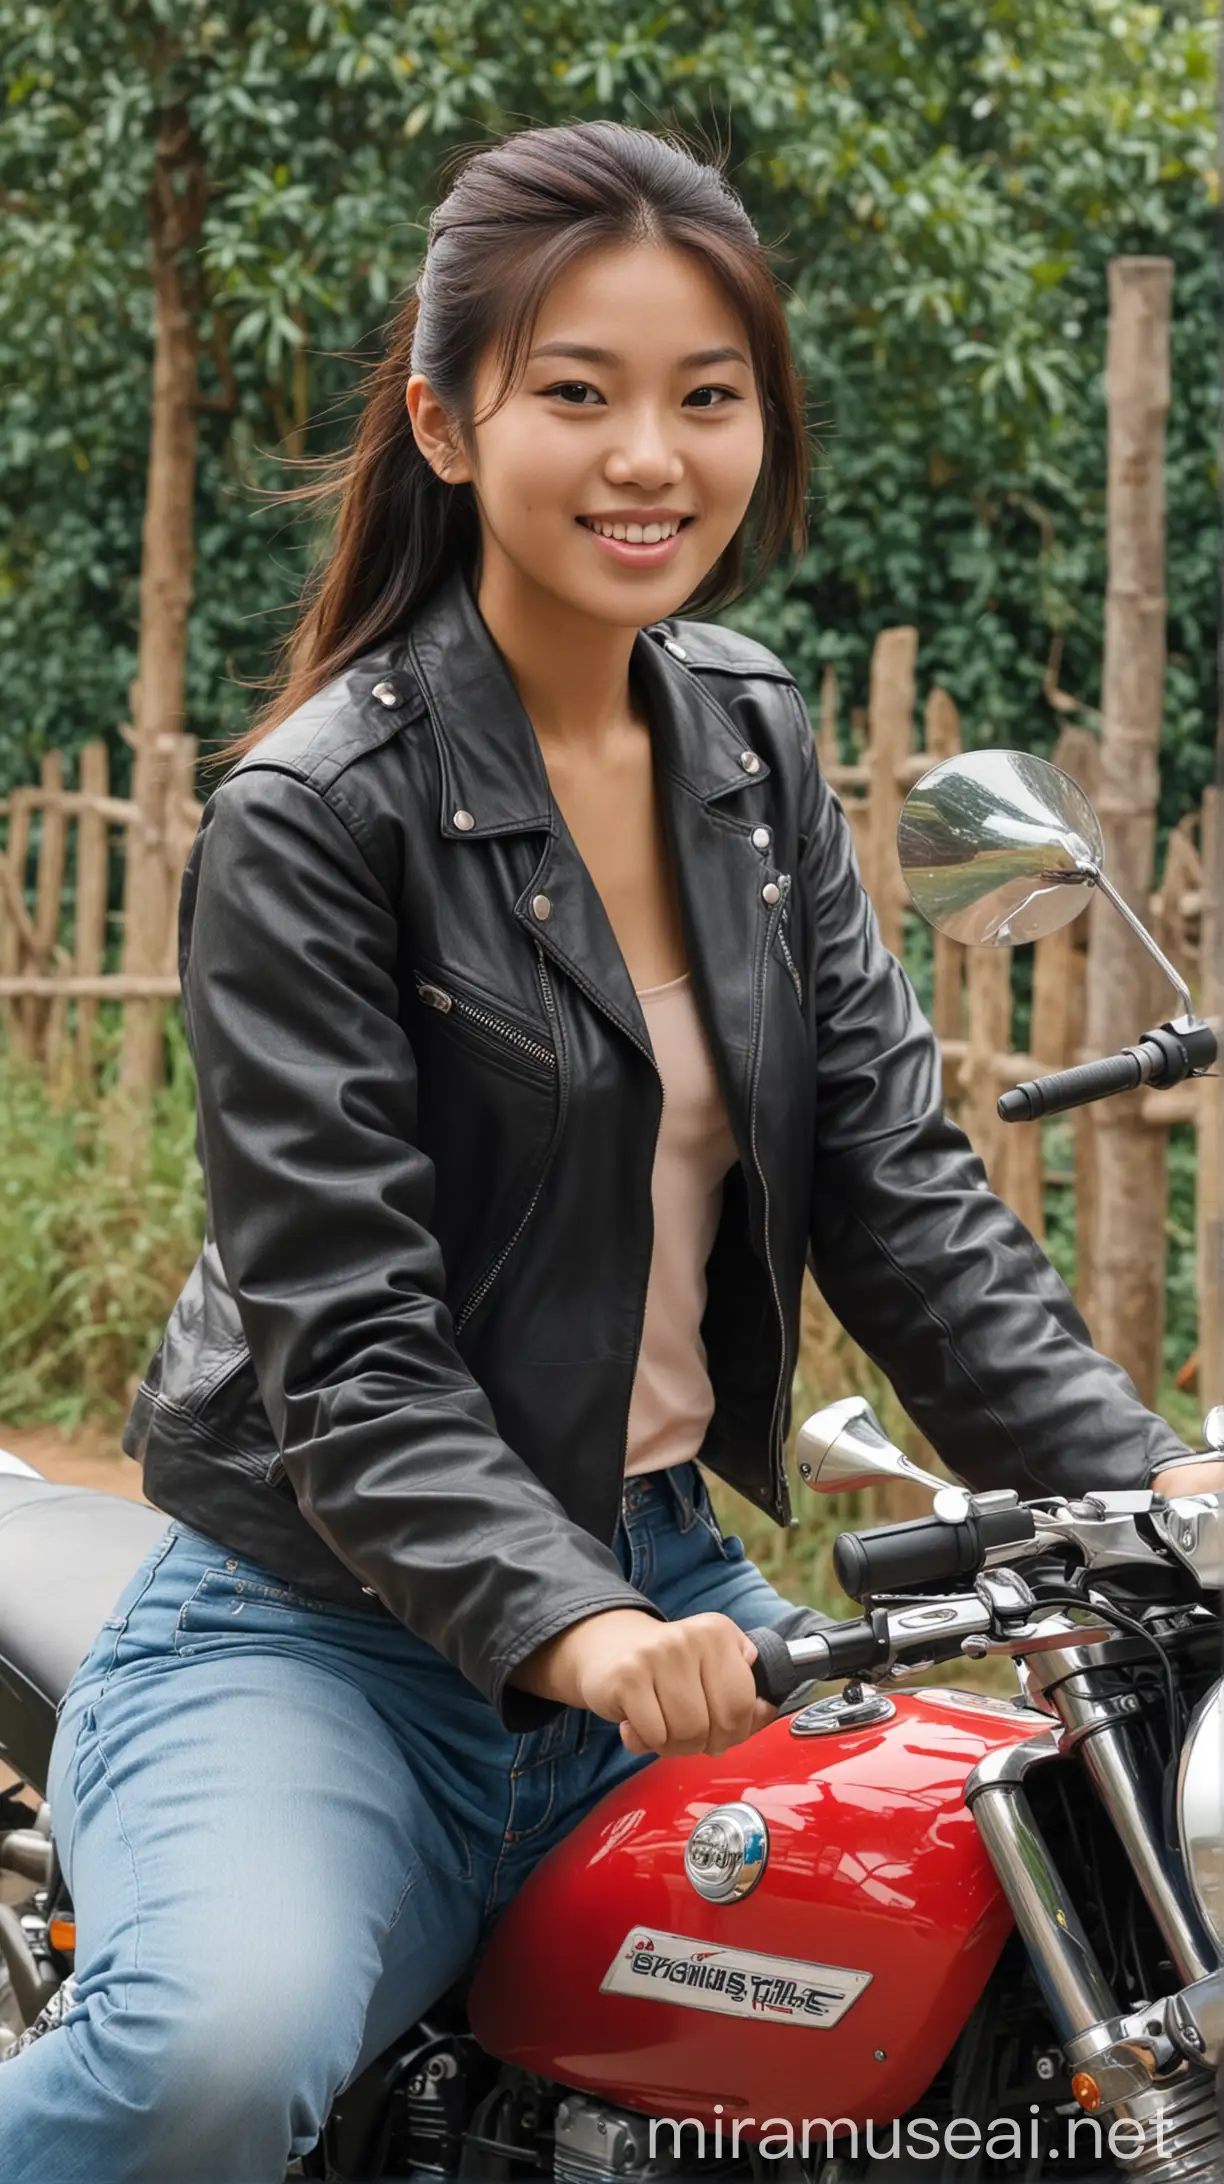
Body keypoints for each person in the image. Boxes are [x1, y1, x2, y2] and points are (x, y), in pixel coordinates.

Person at [1, 119, 1215, 2184]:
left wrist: (1148, 1483)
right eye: (578, 392)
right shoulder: (316, 818)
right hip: (330, 1629)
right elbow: (350, 1346)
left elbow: (901, 1201)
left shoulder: (751, 750)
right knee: (216, 2055)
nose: (650, 455)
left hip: (671, 1580)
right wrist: (568, 1627)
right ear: (449, 425)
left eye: (706, 397)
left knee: (1033, 1970)